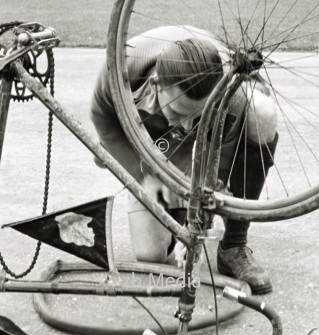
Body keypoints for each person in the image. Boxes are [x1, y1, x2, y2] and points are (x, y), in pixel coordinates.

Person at [90, 26, 278, 294]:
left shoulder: (228, 94)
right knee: (150, 255)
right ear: (156, 85)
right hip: (153, 145)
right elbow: (105, 125)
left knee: (263, 113)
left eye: (196, 115)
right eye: (179, 112)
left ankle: (234, 245)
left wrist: (198, 227)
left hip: (209, 134)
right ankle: (174, 209)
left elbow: (216, 173)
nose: (189, 125)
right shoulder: (120, 72)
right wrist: (143, 174)